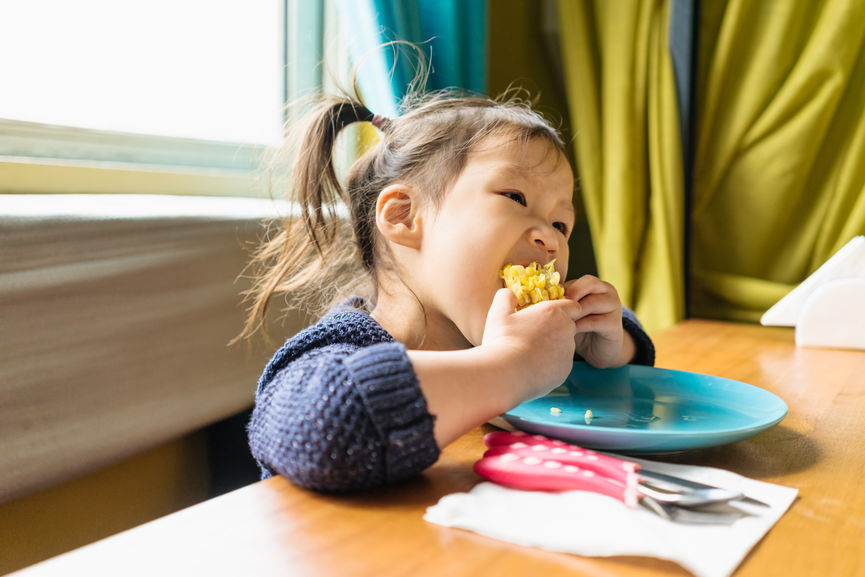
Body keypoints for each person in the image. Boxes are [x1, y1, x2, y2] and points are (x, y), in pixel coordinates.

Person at [240, 89, 655, 492]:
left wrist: (608, 347)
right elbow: (323, 427)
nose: (551, 239)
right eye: (515, 196)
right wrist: (511, 366)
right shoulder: (343, 345)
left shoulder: (504, 332)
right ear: (404, 216)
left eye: (561, 224)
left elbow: (617, 333)